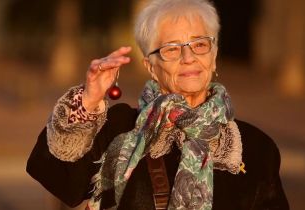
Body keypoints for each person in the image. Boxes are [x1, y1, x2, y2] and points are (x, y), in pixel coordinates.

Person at [26, 0, 289, 209]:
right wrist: (88, 100)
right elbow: (59, 179)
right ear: (151, 67)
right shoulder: (119, 128)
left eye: (199, 44)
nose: (188, 57)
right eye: (171, 49)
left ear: (214, 55)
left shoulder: (255, 149)